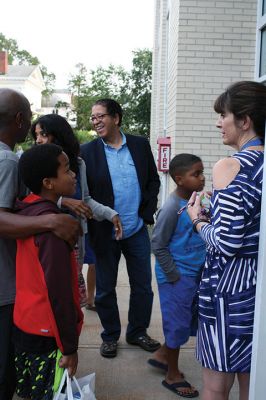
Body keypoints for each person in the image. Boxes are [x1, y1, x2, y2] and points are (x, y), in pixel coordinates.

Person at [187, 81, 266, 400]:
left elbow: (225, 242)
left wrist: (198, 219)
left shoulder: (230, 165)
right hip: (257, 293)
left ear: (245, 121)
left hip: (227, 296)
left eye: (224, 115)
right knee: (254, 384)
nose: (219, 122)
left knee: (215, 388)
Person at [0, 88, 80, 400]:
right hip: (31, 316)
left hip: (25, 316)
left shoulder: (30, 203)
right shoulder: (7, 159)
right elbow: (59, 293)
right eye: (30, 120)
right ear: (19, 120)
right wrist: (52, 220)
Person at [81, 98, 161, 358]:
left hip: (136, 229)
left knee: (143, 286)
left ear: (116, 118)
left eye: (101, 116)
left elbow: (152, 181)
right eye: (93, 118)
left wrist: (146, 215)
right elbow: (85, 194)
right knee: (105, 288)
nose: (96, 121)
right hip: (104, 231)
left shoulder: (139, 145)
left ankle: (137, 331)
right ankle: (110, 336)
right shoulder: (87, 152)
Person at [14, 143, 83, 400]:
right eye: (66, 169)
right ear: (49, 183)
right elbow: (58, 294)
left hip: (25, 324)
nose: (73, 173)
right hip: (47, 335)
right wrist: (69, 347)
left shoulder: (27, 211)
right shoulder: (54, 231)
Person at [31, 114, 122, 308]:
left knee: (70, 304)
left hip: (74, 241)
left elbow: (85, 200)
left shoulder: (79, 164)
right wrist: (65, 201)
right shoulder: (35, 165)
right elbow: (29, 201)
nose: (38, 140)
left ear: (58, 135)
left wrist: (110, 214)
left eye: (43, 134)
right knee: (48, 299)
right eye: (36, 135)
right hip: (45, 239)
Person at [150, 154, 206, 398]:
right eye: (197, 174)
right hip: (176, 277)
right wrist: (174, 276)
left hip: (192, 275)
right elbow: (158, 244)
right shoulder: (172, 208)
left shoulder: (196, 202)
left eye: (202, 172)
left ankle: (162, 354)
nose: (203, 178)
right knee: (177, 324)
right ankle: (172, 375)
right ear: (179, 179)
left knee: (186, 322)